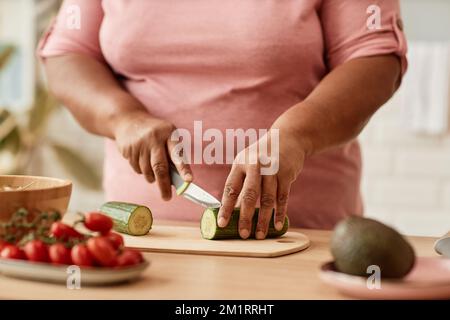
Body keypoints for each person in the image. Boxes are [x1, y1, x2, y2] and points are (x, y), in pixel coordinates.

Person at [39, 0, 407, 239]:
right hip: (148, 240)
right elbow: (68, 52)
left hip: (304, 237)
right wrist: (123, 118)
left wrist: (297, 134)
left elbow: (374, 58)